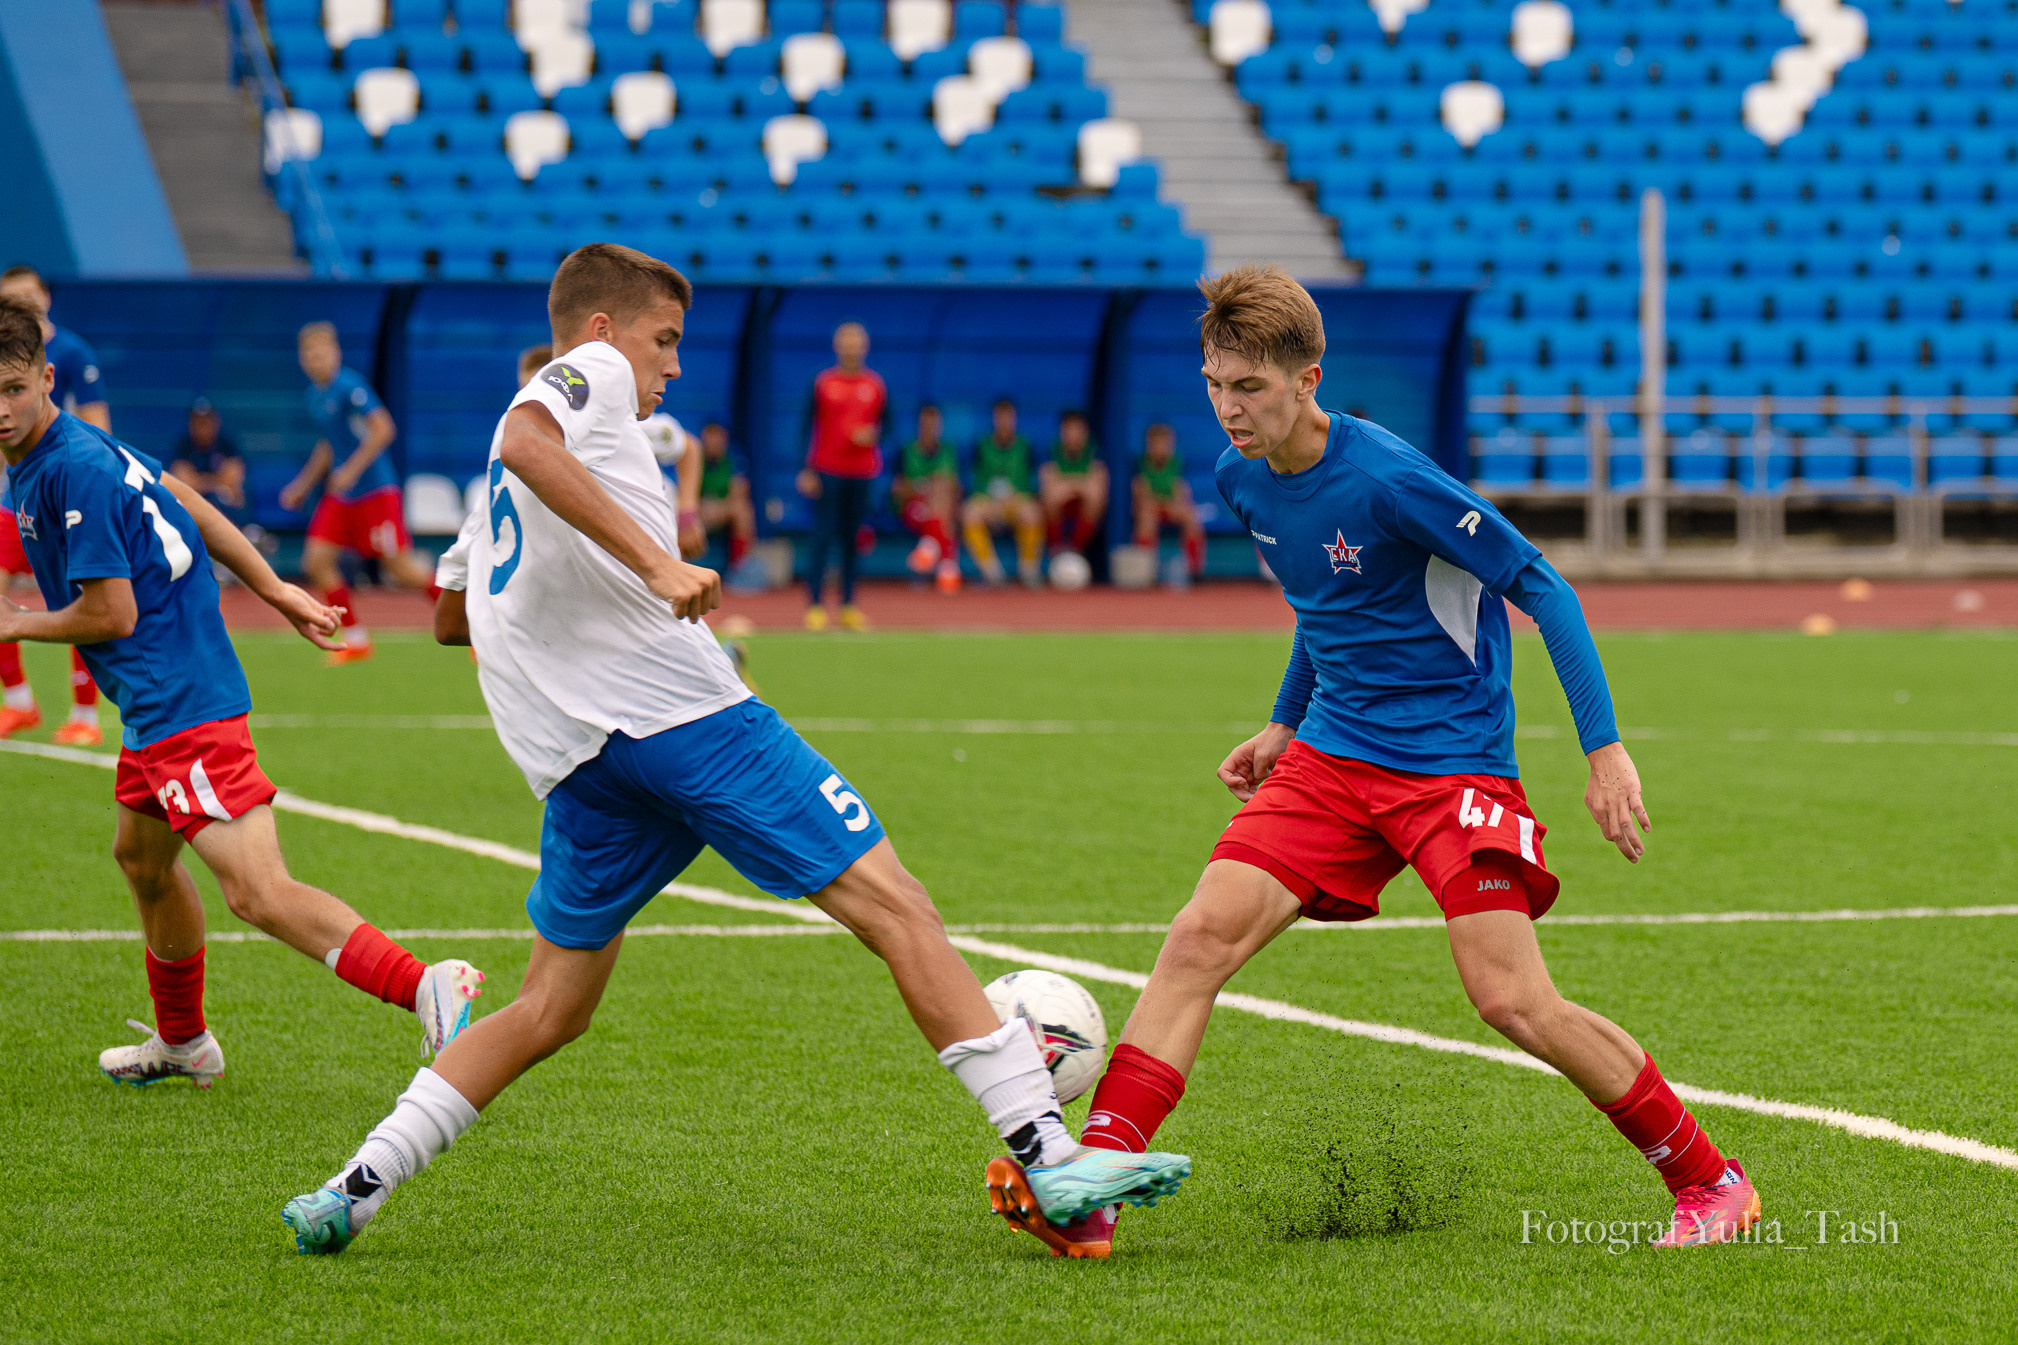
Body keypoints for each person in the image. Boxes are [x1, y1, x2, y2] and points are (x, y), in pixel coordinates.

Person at [279, 243, 1191, 1257]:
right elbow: (535, 437)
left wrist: (578, 588)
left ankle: (354, 1184)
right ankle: (1047, 1152)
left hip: (580, 760)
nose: (670, 366)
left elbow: (452, 618)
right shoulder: (575, 387)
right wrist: (655, 563)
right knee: (896, 904)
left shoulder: (516, 484)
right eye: (663, 340)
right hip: (683, 717)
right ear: (599, 331)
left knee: (548, 1007)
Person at [1005, 266, 1761, 1258]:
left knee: (1511, 1001)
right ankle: (1090, 1175)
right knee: (1198, 937)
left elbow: (1544, 589)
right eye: (1214, 385)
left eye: (1250, 390)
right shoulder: (1240, 481)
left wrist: (1603, 749)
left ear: (1307, 379)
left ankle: (1709, 1179)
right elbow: (1325, 607)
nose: (1229, 410)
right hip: (1332, 755)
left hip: (1451, 767)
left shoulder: (1390, 477)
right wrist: (1283, 724)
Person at [0, 295, 486, 1090]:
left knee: (257, 892)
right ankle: (184, 1041)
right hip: (160, 701)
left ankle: (427, 984)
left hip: (178, 702)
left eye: (13, 388)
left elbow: (111, 611)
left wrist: (17, 623)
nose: (1, 408)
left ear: (47, 378)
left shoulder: (70, 468)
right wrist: (278, 587)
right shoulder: (74, 450)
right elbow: (189, 504)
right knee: (143, 860)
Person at [279, 322, 438, 665]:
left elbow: (384, 429)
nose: (313, 359)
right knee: (316, 561)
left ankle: (470, 623)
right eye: (307, 353)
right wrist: (303, 486)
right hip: (343, 495)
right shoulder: (315, 396)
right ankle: (356, 639)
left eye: (319, 352)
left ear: (335, 353)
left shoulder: (350, 387)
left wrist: (351, 469)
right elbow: (328, 444)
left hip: (375, 492)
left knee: (401, 569)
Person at [0, 265, 106, 744]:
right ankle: (19, 702)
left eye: (27, 295)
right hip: (13, 499)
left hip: (63, 496)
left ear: (45, 297)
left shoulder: (72, 352)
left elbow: (99, 428)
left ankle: (85, 713)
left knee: (83, 600)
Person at [797, 321, 885, 631]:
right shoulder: (823, 382)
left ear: (865, 347)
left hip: (861, 472)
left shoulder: (875, 385)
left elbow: (887, 426)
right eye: (846, 343)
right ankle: (815, 607)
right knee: (821, 538)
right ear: (837, 347)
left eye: (856, 343)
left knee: (852, 540)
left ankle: (849, 606)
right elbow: (806, 426)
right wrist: (806, 469)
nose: (851, 348)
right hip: (827, 470)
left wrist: (873, 434)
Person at [960, 398, 1045, 588]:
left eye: (1009, 417)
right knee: (969, 512)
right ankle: (992, 573)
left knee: (1032, 511)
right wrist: (989, 500)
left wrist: (1016, 497)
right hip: (989, 503)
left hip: (1016, 503)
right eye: (1000, 417)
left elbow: (1034, 483)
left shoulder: (1026, 446)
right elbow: (971, 481)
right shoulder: (981, 445)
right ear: (993, 419)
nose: (1004, 422)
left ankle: (1029, 571)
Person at [891, 403, 961, 594]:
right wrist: (923, 487)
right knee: (939, 506)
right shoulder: (906, 451)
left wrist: (939, 487)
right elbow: (897, 489)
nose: (930, 428)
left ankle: (928, 547)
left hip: (941, 506)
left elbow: (955, 486)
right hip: (913, 508)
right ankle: (948, 563)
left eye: (934, 423)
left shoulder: (948, 451)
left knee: (942, 498)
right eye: (925, 424)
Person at [1132, 422, 1205, 580]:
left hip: (1170, 508)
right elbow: (1142, 495)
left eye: (1167, 443)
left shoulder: (1176, 463)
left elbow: (1181, 491)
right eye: (1157, 444)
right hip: (1150, 510)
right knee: (1146, 519)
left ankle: (1194, 571)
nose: (1162, 448)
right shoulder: (1140, 464)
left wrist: (1175, 504)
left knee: (1191, 517)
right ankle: (1146, 573)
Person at [1039, 409, 1108, 560]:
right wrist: (1078, 485)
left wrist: (1068, 486)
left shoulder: (1095, 454)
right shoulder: (1051, 453)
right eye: (1069, 429)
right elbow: (1050, 492)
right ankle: (1056, 548)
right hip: (1060, 509)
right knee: (1049, 500)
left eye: (1077, 430)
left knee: (1095, 499)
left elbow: (1097, 492)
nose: (1073, 435)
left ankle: (1075, 549)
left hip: (1081, 509)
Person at [169, 398, 248, 526]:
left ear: (216, 422)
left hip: (227, 516)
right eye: (198, 422)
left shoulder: (227, 445)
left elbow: (232, 485)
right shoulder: (183, 447)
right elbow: (181, 484)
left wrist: (199, 483)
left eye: (207, 422)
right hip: (192, 516)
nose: (203, 427)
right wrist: (218, 485)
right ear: (191, 424)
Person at [689, 421, 755, 570]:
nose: (714, 443)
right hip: (699, 511)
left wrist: (719, 507)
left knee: (743, 512)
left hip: (722, 510)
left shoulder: (733, 458)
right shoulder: (695, 457)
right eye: (710, 438)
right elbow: (685, 492)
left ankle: (740, 568)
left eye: (717, 438)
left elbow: (740, 491)